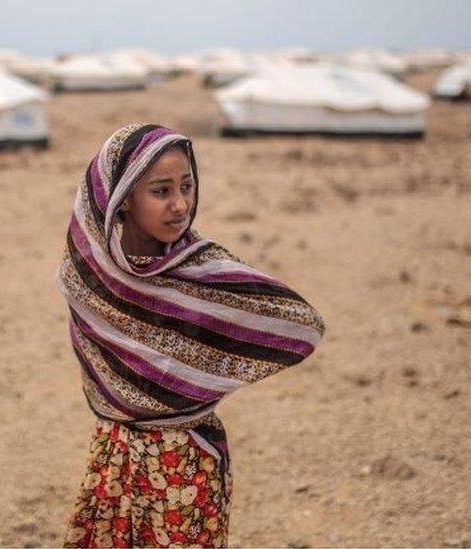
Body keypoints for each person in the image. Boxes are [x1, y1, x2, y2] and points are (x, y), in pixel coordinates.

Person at [56, 123, 326, 547]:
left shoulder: (204, 269)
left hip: (185, 461)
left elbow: (299, 322)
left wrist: (203, 375)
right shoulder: (91, 275)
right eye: (161, 191)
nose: (180, 204)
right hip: (116, 456)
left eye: (187, 186)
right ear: (122, 198)